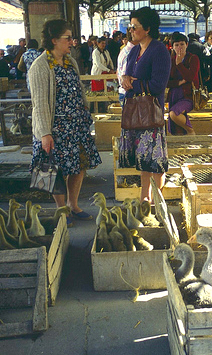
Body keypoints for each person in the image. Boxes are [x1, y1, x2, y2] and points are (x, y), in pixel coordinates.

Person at [29, 20, 100, 221]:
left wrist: (85, 109)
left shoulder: (71, 62)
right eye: (67, 38)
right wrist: (45, 133)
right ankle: (62, 209)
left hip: (76, 124)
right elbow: (40, 103)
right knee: (56, 168)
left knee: (79, 165)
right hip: (55, 127)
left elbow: (78, 89)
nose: (72, 42)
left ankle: (73, 204)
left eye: (72, 38)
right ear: (53, 40)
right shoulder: (40, 66)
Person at [118, 7, 171, 204]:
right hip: (135, 111)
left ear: (147, 28)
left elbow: (159, 83)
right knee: (143, 160)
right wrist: (125, 78)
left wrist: (134, 83)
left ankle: (158, 201)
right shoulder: (134, 51)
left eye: (134, 27)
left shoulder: (159, 51)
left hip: (150, 111)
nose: (131, 30)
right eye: (130, 27)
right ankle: (144, 199)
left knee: (154, 160)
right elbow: (128, 75)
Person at [166, 32, 199, 135]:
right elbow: (166, 82)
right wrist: (179, 82)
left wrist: (179, 64)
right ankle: (182, 144)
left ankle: (190, 131)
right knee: (174, 125)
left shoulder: (193, 58)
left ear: (187, 45)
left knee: (174, 114)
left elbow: (190, 77)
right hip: (174, 95)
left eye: (182, 44)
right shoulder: (170, 60)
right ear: (172, 47)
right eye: (176, 45)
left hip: (188, 96)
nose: (179, 47)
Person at [117, 31, 138, 106]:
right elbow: (125, 76)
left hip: (123, 92)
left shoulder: (124, 50)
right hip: (128, 94)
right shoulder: (131, 52)